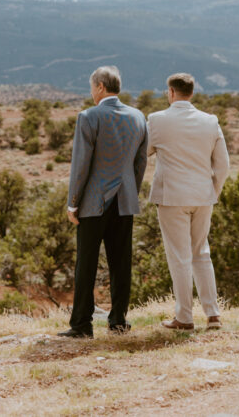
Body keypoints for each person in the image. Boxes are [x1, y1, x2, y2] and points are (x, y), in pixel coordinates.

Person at [59, 65, 148, 338]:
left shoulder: (88, 116)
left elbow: (81, 166)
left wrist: (73, 202)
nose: (91, 92)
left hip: (93, 202)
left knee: (85, 263)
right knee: (121, 263)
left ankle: (82, 325)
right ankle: (118, 322)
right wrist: (131, 189)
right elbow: (140, 162)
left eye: (91, 87)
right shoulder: (138, 117)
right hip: (125, 202)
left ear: (99, 87)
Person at [147, 73, 229, 330]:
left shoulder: (157, 120)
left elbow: (142, 155)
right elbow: (224, 166)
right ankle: (213, 314)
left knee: (179, 257)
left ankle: (184, 317)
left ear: (170, 92)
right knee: (201, 254)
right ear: (191, 93)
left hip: (172, 198)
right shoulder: (210, 121)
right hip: (203, 197)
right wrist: (212, 191)